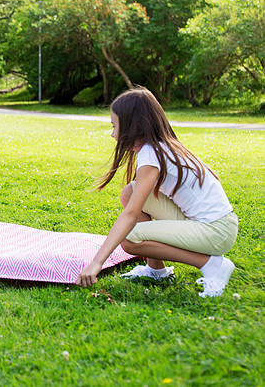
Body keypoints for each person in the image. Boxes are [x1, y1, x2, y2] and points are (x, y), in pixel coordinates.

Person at [76, 87, 238, 297]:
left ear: (132, 126)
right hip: (207, 223)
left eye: (115, 126)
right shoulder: (158, 148)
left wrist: (96, 263)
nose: (113, 134)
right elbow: (135, 201)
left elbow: (131, 215)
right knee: (130, 191)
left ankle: (212, 265)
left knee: (130, 240)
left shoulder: (152, 155)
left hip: (217, 231)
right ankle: (156, 270)